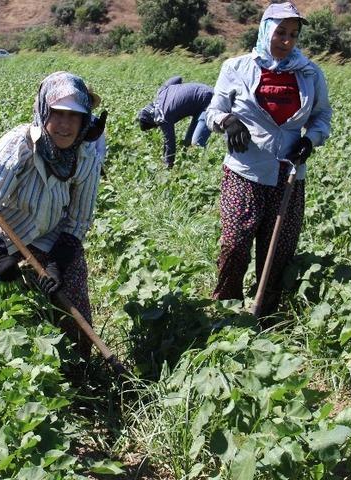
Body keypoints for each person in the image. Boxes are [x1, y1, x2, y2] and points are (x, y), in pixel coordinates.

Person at [0, 71, 107, 358]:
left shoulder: (85, 158)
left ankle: (80, 369)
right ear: (44, 110)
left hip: (45, 232)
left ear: (84, 121)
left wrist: (57, 263)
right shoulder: (20, 146)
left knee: (73, 297)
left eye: (74, 116)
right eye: (58, 113)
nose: (65, 124)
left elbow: (79, 219)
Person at [205, 1, 332, 315]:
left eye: (292, 34)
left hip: (288, 174)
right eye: (280, 32)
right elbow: (213, 112)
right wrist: (227, 122)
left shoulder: (309, 73)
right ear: (265, 31)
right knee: (234, 244)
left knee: (278, 250)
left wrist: (310, 140)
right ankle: (227, 308)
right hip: (245, 170)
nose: (286, 41)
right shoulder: (236, 68)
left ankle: (266, 313)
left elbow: (322, 117)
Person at [137, 76, 214, 168]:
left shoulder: (162, 117)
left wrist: (168, 164)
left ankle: (201, 170)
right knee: (187, 144)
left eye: (154, 126)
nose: (157, 127)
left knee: (196, 144)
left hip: (211, 102)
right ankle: (191, 167)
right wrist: (183, 93)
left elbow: (170, 142)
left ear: (152, 122)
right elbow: (178, 78)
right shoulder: (161, 92)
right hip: (202, 96)